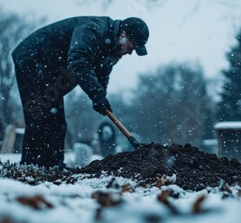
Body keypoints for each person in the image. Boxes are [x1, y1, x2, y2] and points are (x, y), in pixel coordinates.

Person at [11, 16, 149, 169]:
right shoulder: (93, 30)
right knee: (41, 115)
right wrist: (96, 95)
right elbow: (78, 63)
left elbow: (102, 73)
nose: (130, 53)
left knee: (57, 121)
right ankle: (31, 167)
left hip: (53, 69)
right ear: (123, 35)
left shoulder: (114, 51)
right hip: (33, 59)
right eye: (132, 47)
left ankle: (53, 166)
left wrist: (101, 96)